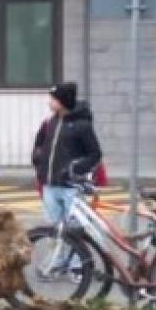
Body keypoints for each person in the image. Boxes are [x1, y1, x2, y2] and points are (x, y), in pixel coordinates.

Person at [31, 82, 103, 273]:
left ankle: (78, 264)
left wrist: (75, 169)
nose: (50, 102)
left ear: (63, 101)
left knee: (75, 228)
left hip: (71, 186)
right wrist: (39, 163)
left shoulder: (82, 125)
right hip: (50, 183)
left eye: (53, 99)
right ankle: (59, 260)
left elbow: (95, 154)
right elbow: (41, 145)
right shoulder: (51, 122)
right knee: (56, 228)